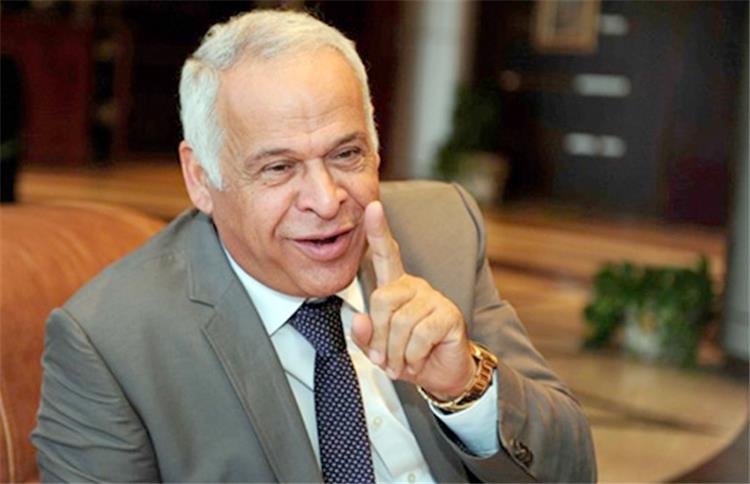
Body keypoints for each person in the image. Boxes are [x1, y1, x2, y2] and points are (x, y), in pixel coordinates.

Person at [32, 9, 595, 483]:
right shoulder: (110, 343)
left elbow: (573, 469)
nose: (327, 201)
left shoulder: (440, 230)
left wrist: (464, 385)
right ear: (200, 178)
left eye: (346, 155)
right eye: (279, 168)